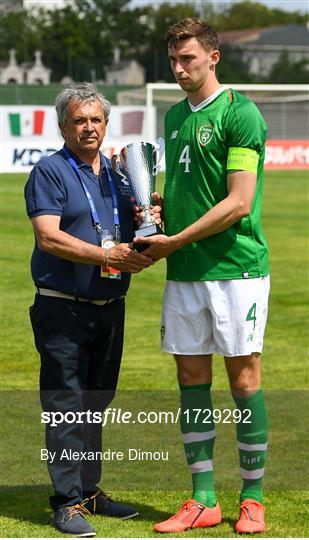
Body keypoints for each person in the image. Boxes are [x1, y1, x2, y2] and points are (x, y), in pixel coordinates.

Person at [134, 18, 270, 535]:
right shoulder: (172, 117)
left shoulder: (241, 114)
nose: (178, 68)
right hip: (185, 270)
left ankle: (252, 498)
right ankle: (203, 499)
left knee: (243, 380)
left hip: (235, 270)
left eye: (187, 58)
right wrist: (157, 211)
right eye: (172, 60)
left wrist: (174, 240)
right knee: (190, 379)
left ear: (213, 57)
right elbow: (188, 189)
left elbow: (237, 202)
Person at [24, 82, 159, 537]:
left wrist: (151, 225)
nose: (88, 127)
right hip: (63, 308)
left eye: (95, 119)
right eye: (79, 120)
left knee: (96, 404)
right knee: (66, 406)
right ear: (64, 125)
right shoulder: (50, 171)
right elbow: (48, 237)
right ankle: (65, 502)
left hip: (109, 307)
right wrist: (107, 257)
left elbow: (133, 228)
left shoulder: (118, 176)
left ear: (106, 124)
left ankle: (89, 490)